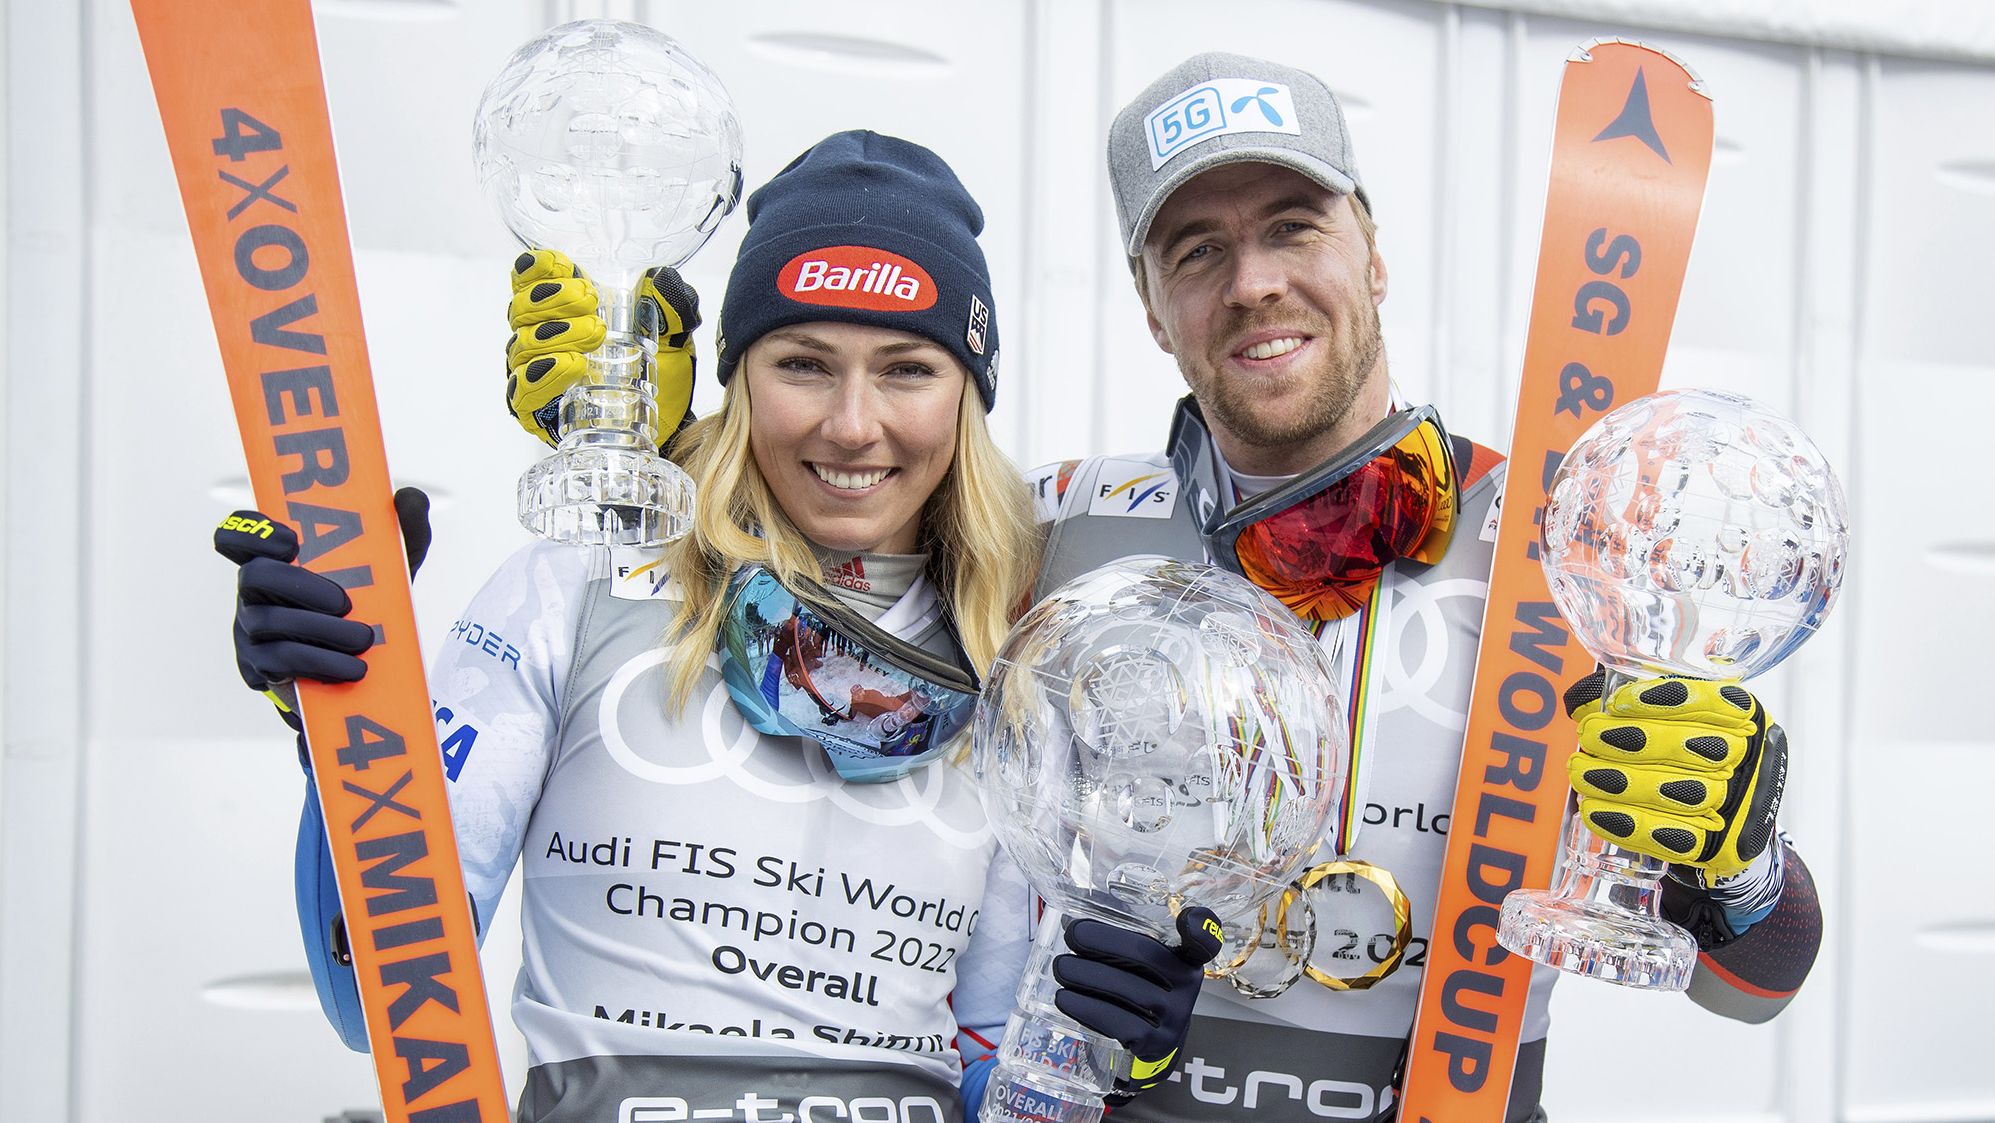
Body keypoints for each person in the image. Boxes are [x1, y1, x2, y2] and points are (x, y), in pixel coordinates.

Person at [218, 130, 1218, 1123]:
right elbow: (375, 1001)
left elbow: (1000, 1079)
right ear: (738, 379)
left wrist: (1106, 1050)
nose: (853, 423)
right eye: (804, 363)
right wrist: (344, 732)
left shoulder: (1009, 671)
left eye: (908, 369)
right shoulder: (582, 586)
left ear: (967, 395)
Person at [1009, 53, 1821, 1122]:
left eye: (1295, 226)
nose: (1253, 282)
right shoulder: (1060, 528)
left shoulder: (1565, 541)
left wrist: (1739, 859)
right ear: (1154, 309)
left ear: (1374, 254)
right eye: (1197, 250)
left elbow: (1753, 991)